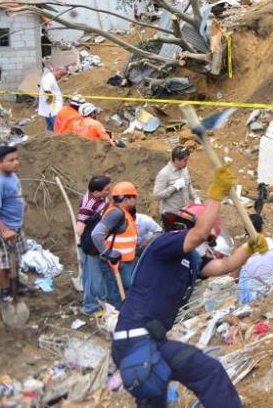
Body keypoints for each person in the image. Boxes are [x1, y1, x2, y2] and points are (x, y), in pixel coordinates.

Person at [110, 167, 264, 407]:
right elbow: (199, 233)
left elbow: (224, 265)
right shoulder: (165, 243)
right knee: (208, 372)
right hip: (136, 339)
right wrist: (216, 194)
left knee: (155, 397)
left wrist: (249, 248)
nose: (206, 243)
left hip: (148, 342)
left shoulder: (190, 262)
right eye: (206, 238)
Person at [91, 181, 141, 309]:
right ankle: (118, 322)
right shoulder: (116, 213)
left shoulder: (125, 212)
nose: (136, 200)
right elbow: (96, 234)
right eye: (134, 197)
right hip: (115, 263)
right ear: (126, 198)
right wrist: (108, 253)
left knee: (128, 292)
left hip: (126, 261)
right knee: (116, 296)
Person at [0, 146, 32, 303]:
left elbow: (15, 193)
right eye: (11, 160)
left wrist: (22, 203)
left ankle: (15, 284)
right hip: (4, 228)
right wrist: (4, 230)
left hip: (16, 225)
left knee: (16, 257)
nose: (16, 163)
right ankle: (5, 290)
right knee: (3, 262)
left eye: (16, 159)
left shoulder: (12, 176)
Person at [77, 175, 111, 314]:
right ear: (96, 192)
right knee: (92, 277)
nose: (110, 191)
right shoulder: (88, 205)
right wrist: (86, 243)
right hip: (90, 245)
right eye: (107, 189)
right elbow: (79, 228)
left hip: (95, 243)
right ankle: (90, 307)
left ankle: (92, 301)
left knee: (91, 276)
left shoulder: (102, 198)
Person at [237, 214, 273, 304]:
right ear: (262, 226)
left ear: (246, 230)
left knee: (243, 270)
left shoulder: (242, 250)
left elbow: (235, 276)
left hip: (253, 295)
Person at [153, 146, 199, 224]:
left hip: (186, 213)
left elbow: (189, 185)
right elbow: (156, 195)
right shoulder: (164, 174)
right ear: (177, 160)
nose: (186, 163)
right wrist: (174, 187)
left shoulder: (185, 169)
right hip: (171, 217)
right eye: (185, 160)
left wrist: (196, 198)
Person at [38, 65, 65, 131]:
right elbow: (46, 89)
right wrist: (50, 98)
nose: (60, 77)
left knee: (50, 128)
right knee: (58, 128)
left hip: (52, 110)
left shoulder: (51, 78)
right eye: (60, 75)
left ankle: (46, 137)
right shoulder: (49, 78)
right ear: (56, 71)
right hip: (53, 111)